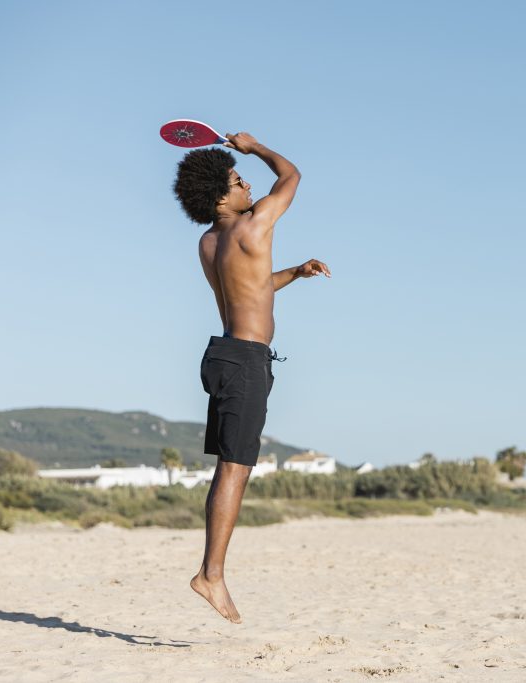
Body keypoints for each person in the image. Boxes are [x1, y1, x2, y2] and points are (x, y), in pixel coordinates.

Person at [172, 132, 330, 623]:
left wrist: (295, 274)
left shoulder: (209, 242)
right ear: (221, 196)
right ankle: (211, 575)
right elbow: (292, 176)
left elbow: (250, 286)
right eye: (239, 180)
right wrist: (255, 146)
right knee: (234, 469)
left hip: (223, 355)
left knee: (229, 464)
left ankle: (211, 571)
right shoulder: (255, 223)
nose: (248, 185)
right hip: (244, 361)